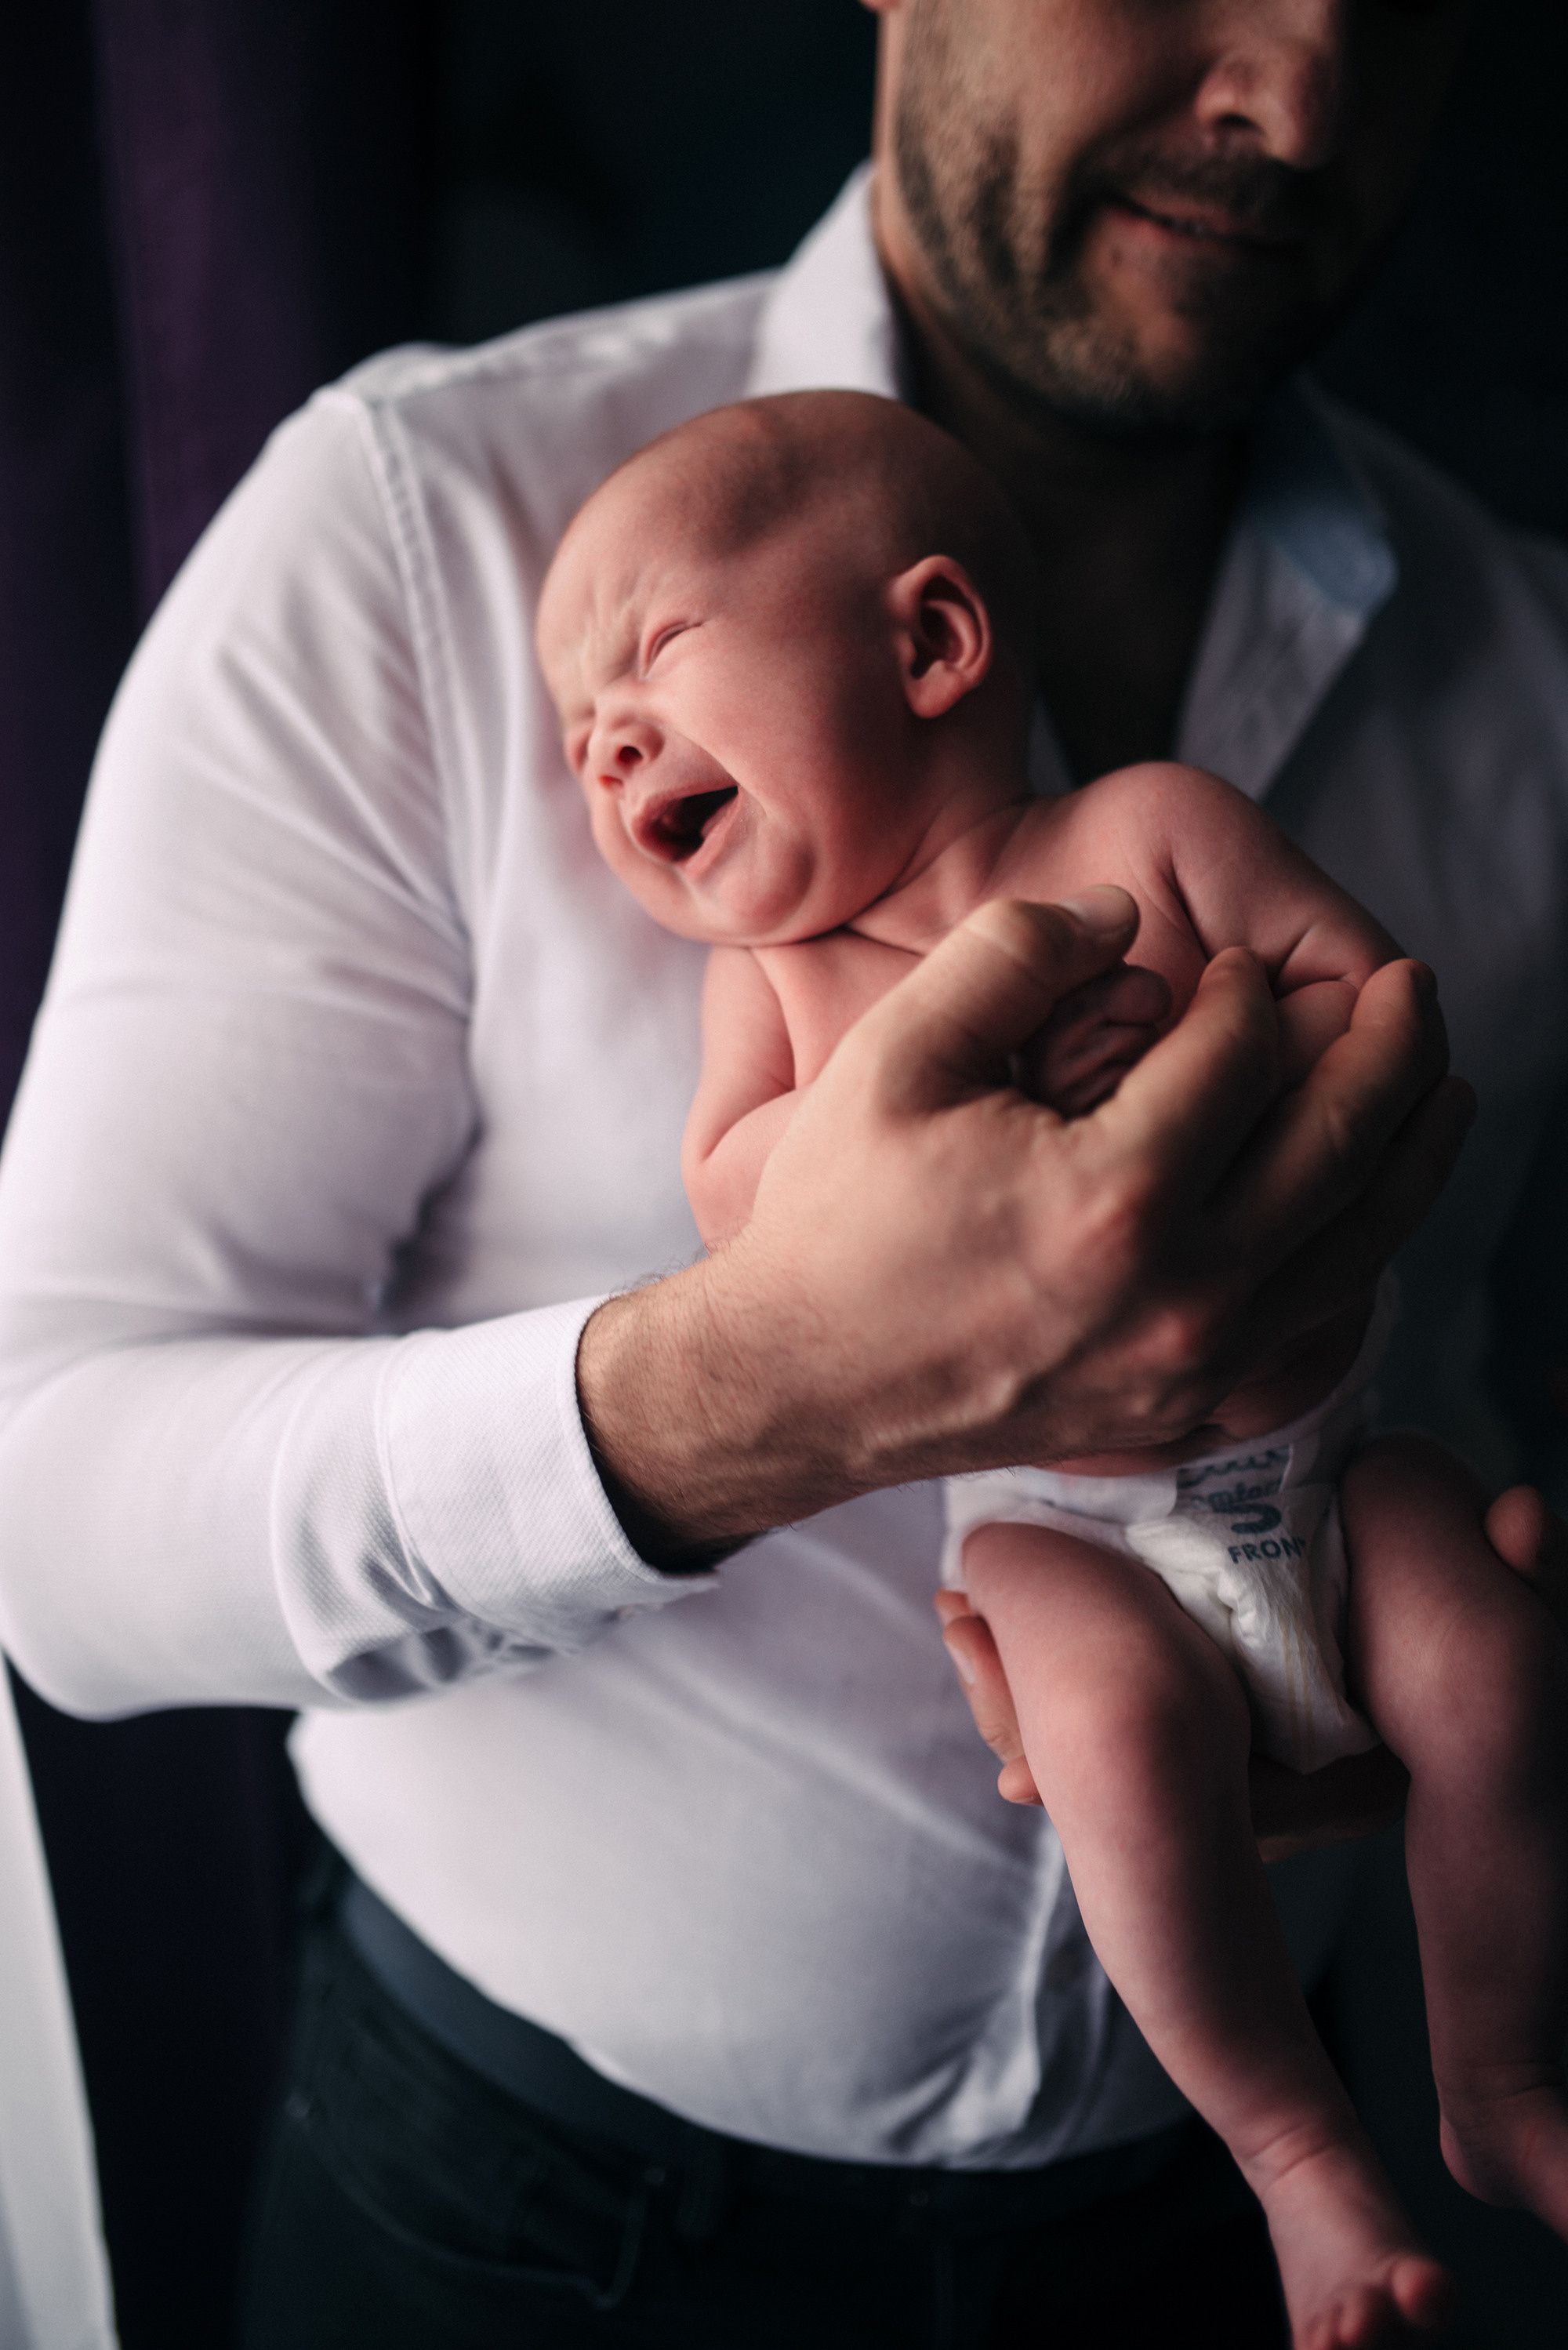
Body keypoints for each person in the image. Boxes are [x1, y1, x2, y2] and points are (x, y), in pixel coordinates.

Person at [0, 2, 1564, 2342]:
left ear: (936, 640)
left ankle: (1485, 2085)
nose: (1295, 93)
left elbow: (1465, 1301)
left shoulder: (1522, 665)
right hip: (522, 2226)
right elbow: (47, 1505)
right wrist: (778, 1372)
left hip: (1183, 2253)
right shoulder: (421, 531)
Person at [537, 383, 1568, 2345]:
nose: (604, 739)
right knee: (1109, 1735)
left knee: (1498, 1665)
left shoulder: (1147, 834)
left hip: (1330, 1474)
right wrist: (899, 1109)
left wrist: (1216, 1039)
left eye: (652, 653)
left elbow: (1378, 1009)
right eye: (578, 724)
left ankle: (1501, 2076)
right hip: (1069, 1536)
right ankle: (1295, 2156)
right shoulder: (781, 985)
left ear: (930, 641)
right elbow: (734, 1191)